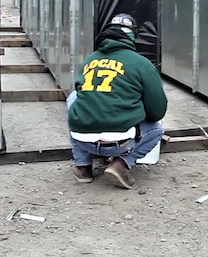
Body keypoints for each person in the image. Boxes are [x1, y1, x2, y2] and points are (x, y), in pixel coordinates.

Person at [66, 13, 168, 189]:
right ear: (132, 37)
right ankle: (121, 164)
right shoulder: (141, 63)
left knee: (74, 99)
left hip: (83, 139)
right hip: (121, 143)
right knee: (157, 130)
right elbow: (157, 111)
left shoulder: (90, 60)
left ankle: (83, 167)